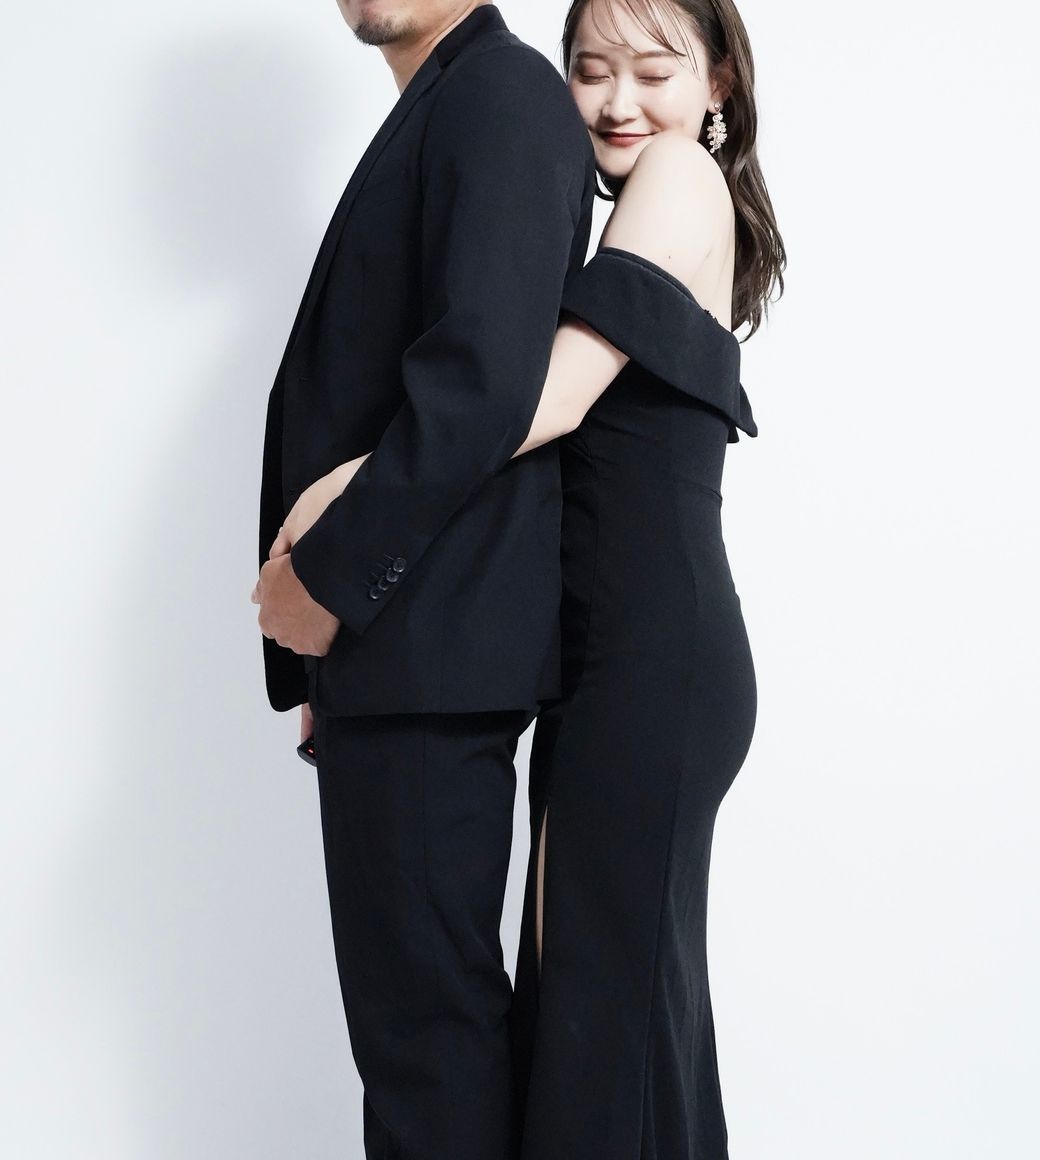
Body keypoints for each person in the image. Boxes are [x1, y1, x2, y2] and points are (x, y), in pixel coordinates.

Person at [268, 0, 786, 1155]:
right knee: (601, 1008)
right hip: (615, 656)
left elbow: (536, 396)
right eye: (590, 69)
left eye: (652, 70)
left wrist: (339, 495)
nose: (616, 100)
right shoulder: (649, 200)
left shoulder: (678, 181)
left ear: (716, 84)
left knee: (605, 1014)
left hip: (653, 657)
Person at [251, 3, 595, 1158]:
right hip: (397, 658)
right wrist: (332, 659)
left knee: (426, 1046)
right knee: (421, 1039)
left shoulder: (500, 95)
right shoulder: (449, 100)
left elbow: (481, 383)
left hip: (426, 656)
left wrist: (330, 587)